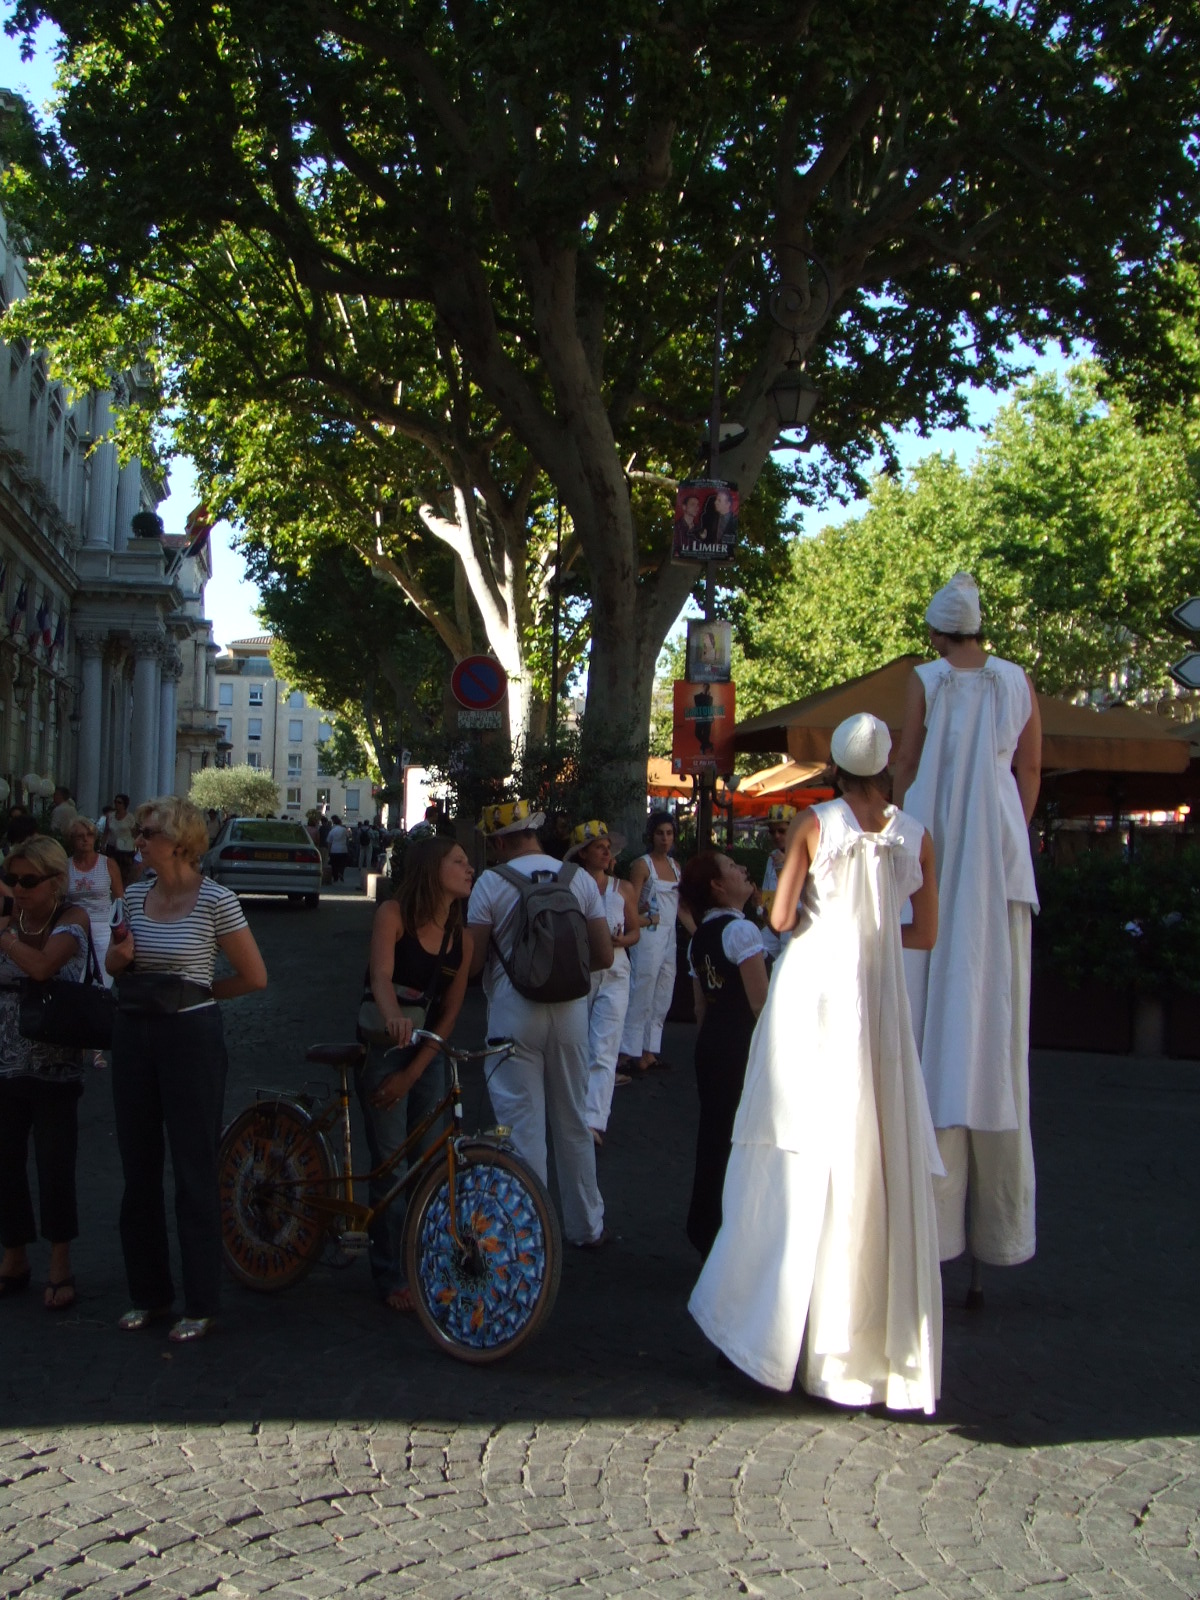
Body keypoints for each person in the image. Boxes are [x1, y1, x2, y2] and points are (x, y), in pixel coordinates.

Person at [690, 714, 944, 1412]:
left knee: (787, 1148)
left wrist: (813, 920)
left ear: (835, 765)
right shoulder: (917, 836)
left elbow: (776, 920)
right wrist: (872, 928)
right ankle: (860, 1349)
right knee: (871, 1152)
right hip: (880, 997)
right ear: (888, 763)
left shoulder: (814, 822)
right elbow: (923, 930)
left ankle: (765, 1333)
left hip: (814, 992)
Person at [892, 571, 1042, 1297]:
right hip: (996, 855)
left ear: (935, 631)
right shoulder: (1017, 680)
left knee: (927, 1018)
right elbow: (1030, 767)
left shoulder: (926, 679)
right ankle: (993, 1229)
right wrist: (1009, 823)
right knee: (996, 1029)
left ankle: (934, 1223)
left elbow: (907, 760)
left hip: (935, 844)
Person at [106, 796, 268, 1343]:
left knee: (195, 1170)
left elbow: (253, 976)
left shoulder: (216, 901)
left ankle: (200, 1301)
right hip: (134, 1034)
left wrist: (196, 995)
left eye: (147, 832)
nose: (138, 841)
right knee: (139, 1168)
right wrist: (120, 960)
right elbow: (111, 963)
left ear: (178, 842)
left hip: (189, 1038)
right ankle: (147, 1294)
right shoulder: (132, 894)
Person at [467, 800, 612, 1248]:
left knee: (520, 1123)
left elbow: (472, 965)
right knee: (573, 1119)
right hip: (570, 1012)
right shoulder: (580, 879)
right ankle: (587, 1227)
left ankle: (531, 1231)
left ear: (500, 840)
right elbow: (604, 955)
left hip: (513, 1012)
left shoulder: (492, 882)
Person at [358, 836, 473, 1310]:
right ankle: (391, 1272)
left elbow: (448, 1015)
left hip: (428, 1050)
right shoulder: (393, 914)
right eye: (459, 860)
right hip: (385, 1043)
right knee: (390, 1163)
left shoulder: (461, 938)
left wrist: (416, 1069)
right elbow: (380, 977)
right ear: (432, 868)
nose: (470, 869)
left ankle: (423, 1259)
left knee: (427, 1159)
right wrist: (394, 1020)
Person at [0, 836, 94, 1311]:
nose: (18, 889)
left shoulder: (71, 919)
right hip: (4, 1062)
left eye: (29, 881)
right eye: (13, 879)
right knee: (5, 1164)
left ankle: (60, 1262)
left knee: (55, 1165)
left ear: (55, 881)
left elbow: (41, 968)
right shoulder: (10, 919)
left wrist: (5, 939)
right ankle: (13, 1256)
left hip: (55, 1063)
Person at [679, 851, 769, 1260]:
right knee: (745, 1135)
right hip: (742, 1043)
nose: (742, 870)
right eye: (732, 867)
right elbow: (760, 1004)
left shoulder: (699, 938)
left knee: (713, 1135)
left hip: (712, 1044)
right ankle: (741, 1226)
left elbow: (701, 1007)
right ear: (717, 885)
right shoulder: (742, 932)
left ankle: (707, 1223)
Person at [564, 821, 639, 1146]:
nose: (606, 851)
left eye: (608, 846)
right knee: (578, 1044)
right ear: (583, 853)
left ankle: (593, 1120)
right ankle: (574, 1112)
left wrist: (623, 939)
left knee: (605, 1046)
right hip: (581, 969)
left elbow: (635, 930)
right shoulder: (570, 887)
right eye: (599, 846)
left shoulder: (623, 888)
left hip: (617, 970)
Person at [620, 812, 693, 1074]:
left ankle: (649, 1052)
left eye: (669, 833)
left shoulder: (676, 867)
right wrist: (646, 920)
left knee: (663, 991)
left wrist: (698, 932)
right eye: (660, 833)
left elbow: (681, 908)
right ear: (651, 835)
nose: (665, 838)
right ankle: (628, 1053)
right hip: (649, 934)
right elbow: (630, 905)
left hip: (669, 936)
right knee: (642, 990)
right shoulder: (642, 865)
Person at [66, 818, 122, 989]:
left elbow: (120, 898)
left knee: (101, 982)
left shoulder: (108, 864)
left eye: (89, 835)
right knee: (75, 980)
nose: (85, 839)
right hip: (75, 928)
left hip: (102, 926)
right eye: (80, 836)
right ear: (72, 840)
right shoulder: (65, 866)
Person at [104, 794, 137, 885]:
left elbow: (134, 833)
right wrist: (103, 844)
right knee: (111, 867)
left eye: (119, 802)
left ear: (124, 804)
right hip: (112, 846)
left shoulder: (130, 817)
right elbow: (106, 831)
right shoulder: (110, 816)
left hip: (125, 847)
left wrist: (136, 846)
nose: (116, 804)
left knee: (124, 869)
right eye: (115, 802)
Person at [326, 815, 351, 882]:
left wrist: (329, 851)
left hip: (334, 850)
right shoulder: (344, 830)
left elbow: (329, 842)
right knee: (342, 864)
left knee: (334, 864)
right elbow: (348, 836)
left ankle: (335, 877)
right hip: (343, 849)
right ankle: (341, 873)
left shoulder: (332, 831)